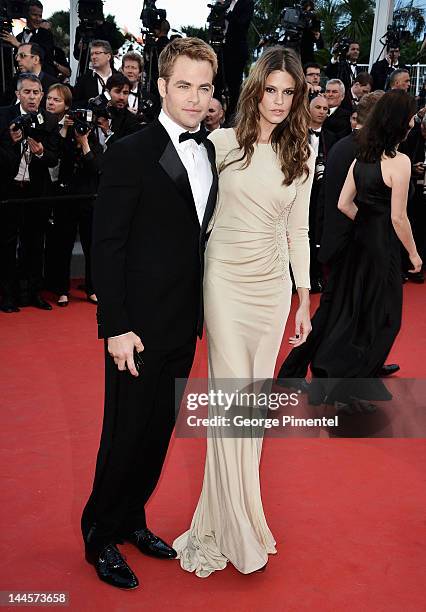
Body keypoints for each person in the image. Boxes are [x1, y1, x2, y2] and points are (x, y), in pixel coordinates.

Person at [81, 37, 219, 590]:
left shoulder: (208, 151)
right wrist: (114, 326)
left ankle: (132, 519)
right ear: (161, 87)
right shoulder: (131, 151)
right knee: (124, 433)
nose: (193, 97)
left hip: (182, 323)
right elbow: (107, 243)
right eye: (182, 85)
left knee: (159, 431)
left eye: (203, 86)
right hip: (135, 328)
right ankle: (98, 535)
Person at [173, 46, 314, 577]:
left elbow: (298, 230)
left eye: (289, 92)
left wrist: (303, 297)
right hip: (225, 283)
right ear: (258, 89)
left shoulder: (303, 151)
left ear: (297, 97)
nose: (278, 101)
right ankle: (232, 528)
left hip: (272, 290)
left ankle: (232, 517)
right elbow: (184, 209)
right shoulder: (222, 144)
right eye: (271, 89)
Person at [277, 91, 401, 387]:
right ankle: (294, 372)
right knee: (333, 313)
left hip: (340, 242)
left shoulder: (347, 145)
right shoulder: (361, 150)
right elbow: (346, 202)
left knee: (354, 311)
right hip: (350, 245)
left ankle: (363, 365)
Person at [308, 90, 421, 409]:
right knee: (386, 319)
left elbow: (344, 204)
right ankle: (349, 386)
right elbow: (399, 218)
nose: (414, 121)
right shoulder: (400, 162)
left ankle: (343, 384)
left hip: (359, 244)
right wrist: (413, 254)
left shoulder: (363, 157)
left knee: (356, 314)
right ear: (401, 124)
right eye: (411, 116)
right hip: (381, 250)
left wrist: (369, 219)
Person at [0, 73, 59, 313]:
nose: (32, 97)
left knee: (34, 244)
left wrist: (43, 153)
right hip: (8, 191)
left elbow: (55, 158)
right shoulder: (3, 115)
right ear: (17, 94)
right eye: (27, 92)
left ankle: (33, 293)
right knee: (6, 244)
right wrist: (12, 143)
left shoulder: (51, 120)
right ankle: (8, 296)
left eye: (36, 93)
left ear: (42, 95)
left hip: (37, 192)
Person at [43, 84, 102, 307]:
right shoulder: (57, 131)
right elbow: (54, 156)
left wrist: (84, 141)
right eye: (49, 98)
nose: (51, 102)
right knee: (62, 244)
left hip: (88, 196)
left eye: (56, 99)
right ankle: (61, 289)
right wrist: (64, 131)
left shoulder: (89, 135)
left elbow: (96, 166)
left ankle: (93, 287)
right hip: (64, 195)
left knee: (91, 244)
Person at [307, 93, 337, 292]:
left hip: (321, 195)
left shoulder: (332, 138)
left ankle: (315, 276)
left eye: (325, 109)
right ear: (309, 109)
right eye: (318, 107)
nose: (322, 112)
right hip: (299, 190)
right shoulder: (296, 133)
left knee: (317, 234)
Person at [0, 1, 55, 74]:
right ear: (27, 15)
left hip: (43, 79)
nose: (38, 19)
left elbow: (41, 53)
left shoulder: (46, 34)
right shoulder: (19, 36)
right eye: (35, 15)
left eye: (40, 16)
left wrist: (18, 44)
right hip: (24, 79)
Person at [73, 40, 116, 108]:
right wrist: (90, 103)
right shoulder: (83, 80)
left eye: (97, 53)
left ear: (108, 56)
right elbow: (74, 103)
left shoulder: (120, 78)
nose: (93, 57)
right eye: (92, 54)